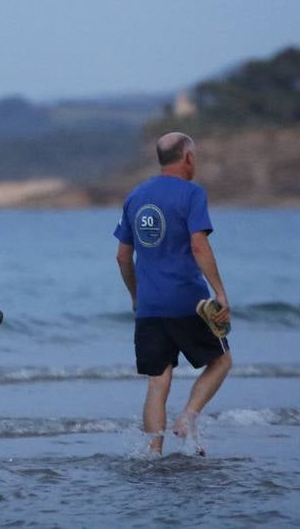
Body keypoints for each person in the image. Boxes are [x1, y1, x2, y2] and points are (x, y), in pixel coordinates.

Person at [114, 131, 232, 456]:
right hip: (187, 300)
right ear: (188, 158)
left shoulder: (135, 196)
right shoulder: (192, 194)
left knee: (157, 380)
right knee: (221, 361)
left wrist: (137, 296)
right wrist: (220, 292)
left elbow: (123, 256)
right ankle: (188, 418)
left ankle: (153, 452)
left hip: (150, 306)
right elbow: (198, 244)